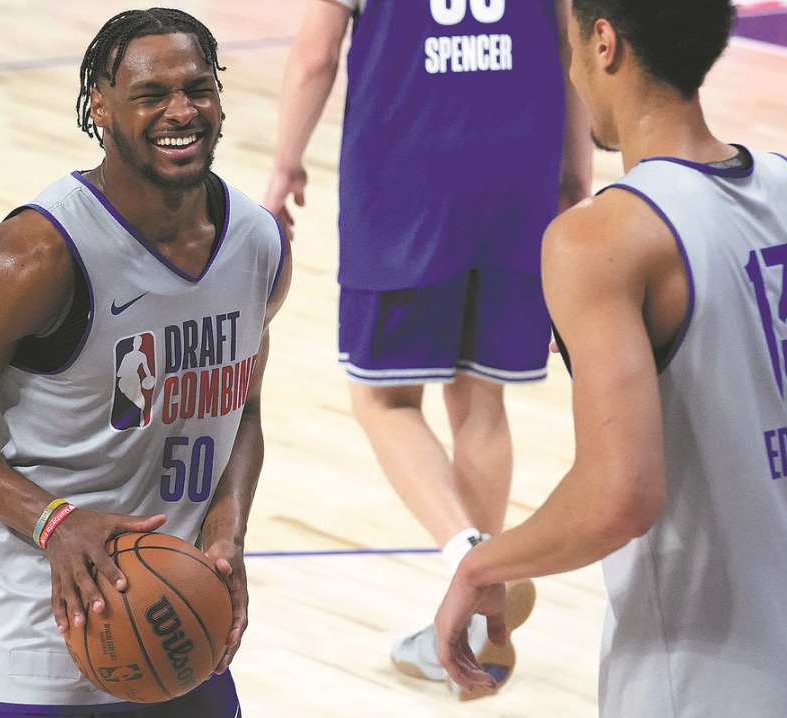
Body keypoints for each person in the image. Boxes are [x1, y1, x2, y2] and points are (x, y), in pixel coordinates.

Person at [434, 0, 787, 714]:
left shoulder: (602, 238)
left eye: (571, 44)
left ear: (604, 43)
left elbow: (621, 494)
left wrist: (480, 565)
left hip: (695, 682)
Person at [0, 8, 290, 717]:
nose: (181, 112)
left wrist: (228, 528)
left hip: (184, 617)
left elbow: (244, 406)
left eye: (198, 89)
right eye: (151, 94)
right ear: (99, 107)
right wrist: (55, 522)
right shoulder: (33, 257)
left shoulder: (256, 241)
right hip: (40, 633)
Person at [263, 0, 592, 695]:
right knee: (481, 402)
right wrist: (575, 175)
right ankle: (472, 626)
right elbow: (573, 48)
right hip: (518, 171)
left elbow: (316, 56)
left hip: (405, 181)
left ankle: (473, 562)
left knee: (382, 399)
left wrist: (284, 166)